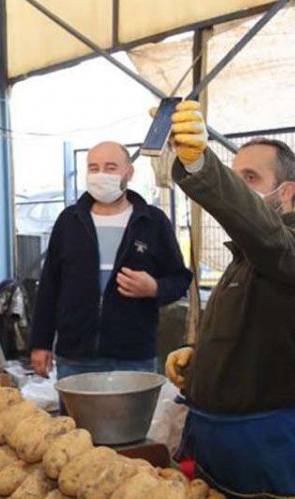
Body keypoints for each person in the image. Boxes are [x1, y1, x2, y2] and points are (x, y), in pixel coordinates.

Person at [160, 101, 295, 499]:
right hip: (218, 438)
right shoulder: (245, 260)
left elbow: (263, 231)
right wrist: (200, 364)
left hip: (267, 445)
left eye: (250, 180)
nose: (239, 190)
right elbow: (253, 332)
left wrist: (200, 165)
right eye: (234, 180)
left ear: (287, 192)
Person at [28, 141, 191, 381]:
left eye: (110, 167)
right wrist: (40, 343)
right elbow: (49, 286)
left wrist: (154, 288)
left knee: (132, 420)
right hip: (75, 356)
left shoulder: (152, 222)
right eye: (93, 168)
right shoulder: (69, 221)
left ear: (129, 173)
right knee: (74, 420)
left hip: (133, 356)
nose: (101, 174)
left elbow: (180, 278)